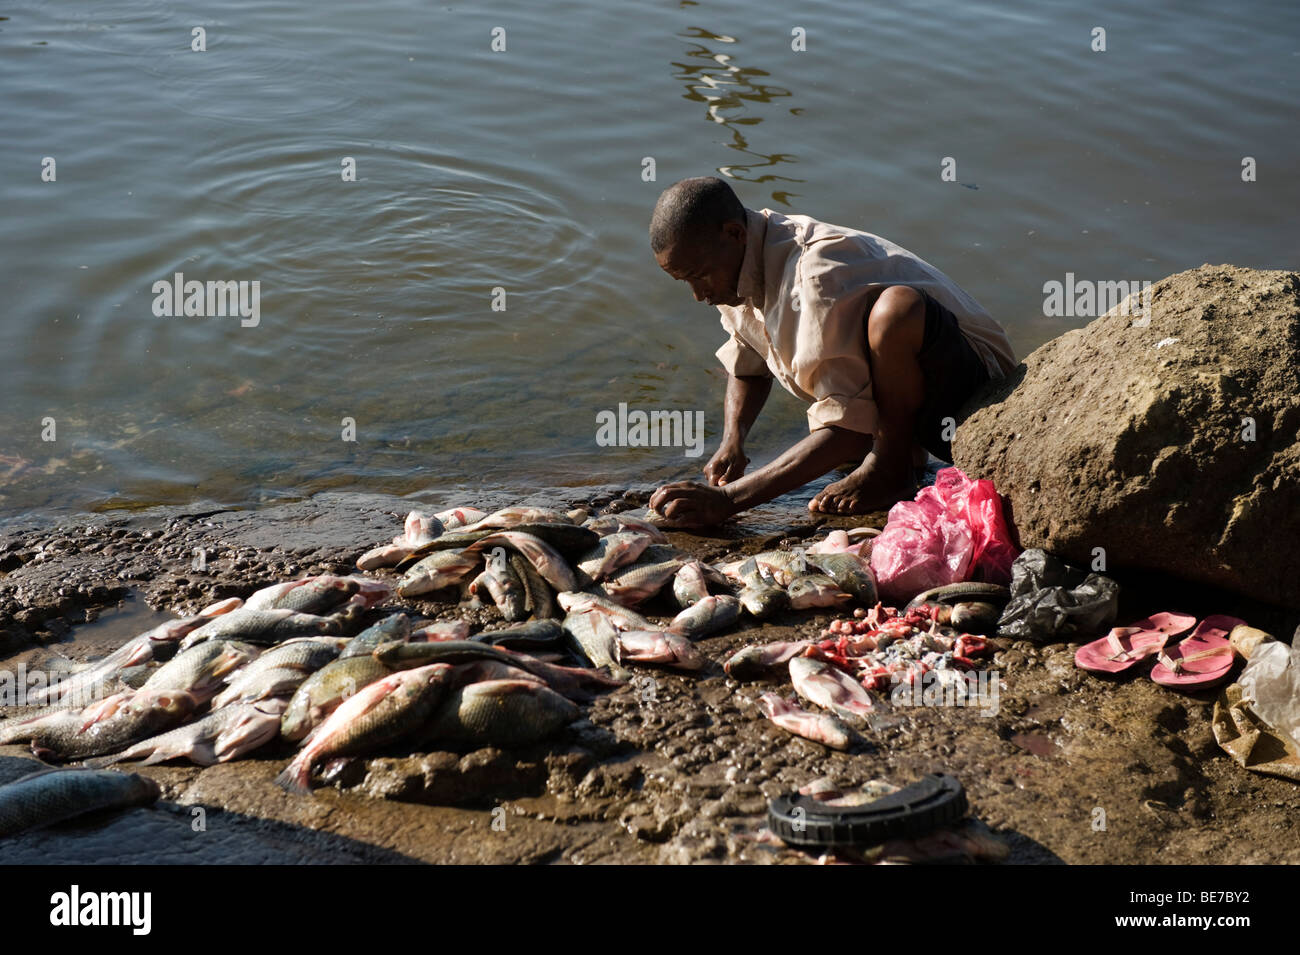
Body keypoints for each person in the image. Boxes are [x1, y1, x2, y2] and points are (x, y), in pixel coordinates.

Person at [647, 176, 1016, 526]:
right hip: (918, 399)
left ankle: (893, 467)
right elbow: (747, 363)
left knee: (895, 311)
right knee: (843, 401)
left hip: (976, 398)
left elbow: (848, 428)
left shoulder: (813, 275)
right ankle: (899, 452)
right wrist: (733, 441)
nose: (699, 295)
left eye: (699, 275)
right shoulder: (734, 266)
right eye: (685, 282)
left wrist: (729, 500)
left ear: (734, 233)